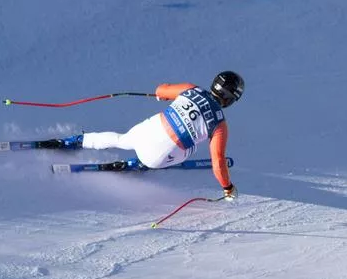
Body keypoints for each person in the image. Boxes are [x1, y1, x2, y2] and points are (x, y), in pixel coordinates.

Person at [42, 71, 243, 198]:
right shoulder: (219, 124)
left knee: (122, 139)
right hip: (156, 157)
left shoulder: (191, 89)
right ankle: (140, 163)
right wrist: (227, 188)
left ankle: (80, 140)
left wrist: (164, 95)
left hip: (147, 131)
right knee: (191, 146)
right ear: (230, 99)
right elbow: (218, 162)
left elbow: (160, 89)